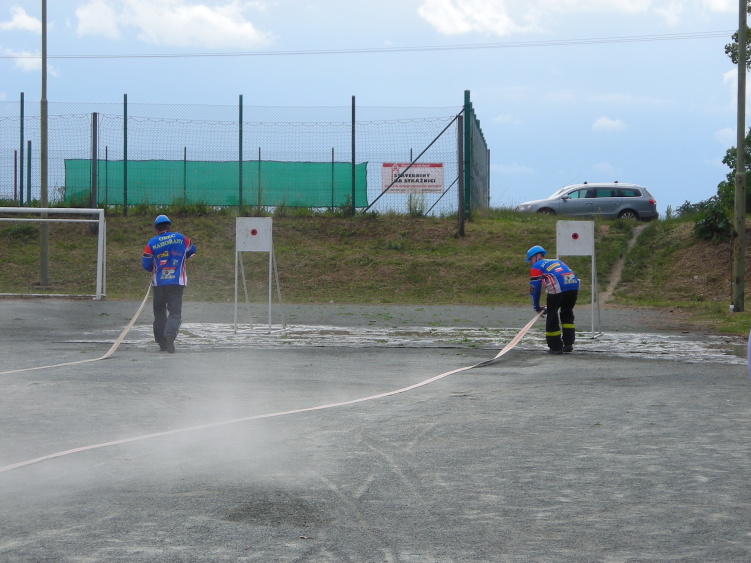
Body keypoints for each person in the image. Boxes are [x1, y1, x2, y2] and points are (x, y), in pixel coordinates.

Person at [142, 215, 196, 353]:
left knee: (159, 312)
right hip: (177, 282)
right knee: (175, 312)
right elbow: (192, 250)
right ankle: (170, 337)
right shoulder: (181, 238)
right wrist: (181, 257)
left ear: (156, 229)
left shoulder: (151, 243)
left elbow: (146, 264)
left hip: (158, 283)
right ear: (169, 226)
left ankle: (162, 343)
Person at [526, 245, 580, 355]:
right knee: (567, 312)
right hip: (573, 286)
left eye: (530, 259)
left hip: (558, 288)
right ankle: (568, 344)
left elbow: (534, 288)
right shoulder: (556, 261)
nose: (530, 262)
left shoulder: (537, 266)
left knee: (552, 315)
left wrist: (536, 306)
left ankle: (555, 347)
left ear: (538, 256)